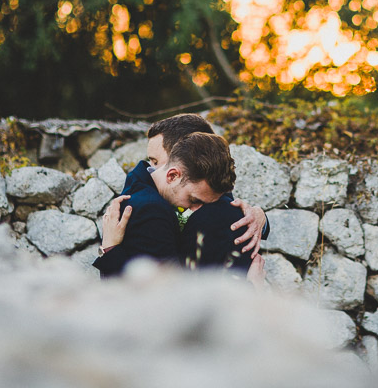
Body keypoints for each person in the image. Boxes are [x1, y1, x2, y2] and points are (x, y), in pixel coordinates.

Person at [94, 115, 268, 280]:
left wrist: (260, 216)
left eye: (156, 161)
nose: (153, 168)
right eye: (152, 161)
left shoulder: (204, 189)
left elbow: (224, 205)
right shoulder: (152, 208)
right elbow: (156, 291)